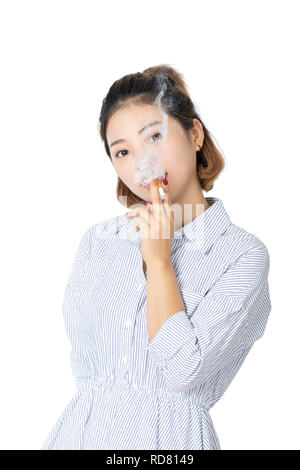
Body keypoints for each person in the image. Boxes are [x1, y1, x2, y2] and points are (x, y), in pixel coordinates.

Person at [41, 64, 271, 450]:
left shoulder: (242, 255)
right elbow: (86, 369)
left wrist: (160, 262)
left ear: (194, 134)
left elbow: (184, 371)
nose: (141, 162)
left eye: (155, 136)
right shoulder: (100, 241)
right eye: (124, 151)